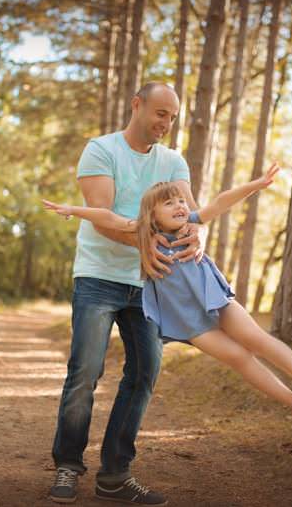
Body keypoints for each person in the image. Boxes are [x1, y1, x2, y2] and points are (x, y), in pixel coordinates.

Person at [43, 162, 292, 434]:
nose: (180, 206)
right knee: (239, 358)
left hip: (215, 299)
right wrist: (73, 209)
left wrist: (256, 184)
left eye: (181, 200)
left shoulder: (191, 226)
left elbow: (221, 202)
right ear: (151, 214)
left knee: (256, 338)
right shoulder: (143, 232)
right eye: (169, 203)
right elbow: (107, 217)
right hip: (187, 320)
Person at [48, 82, 203, 506]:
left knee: (145, 372)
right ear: (137, 105)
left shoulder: (172, 161)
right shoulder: (101, 150)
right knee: (86, 371)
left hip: (150, 282)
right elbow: (103, 219)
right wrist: (150, 242)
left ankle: (115, 475)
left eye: (172, 117)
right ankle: (67, 464)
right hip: (98, 276)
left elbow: (189, 214)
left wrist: (195, 234)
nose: (166, 123)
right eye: (160, 113)